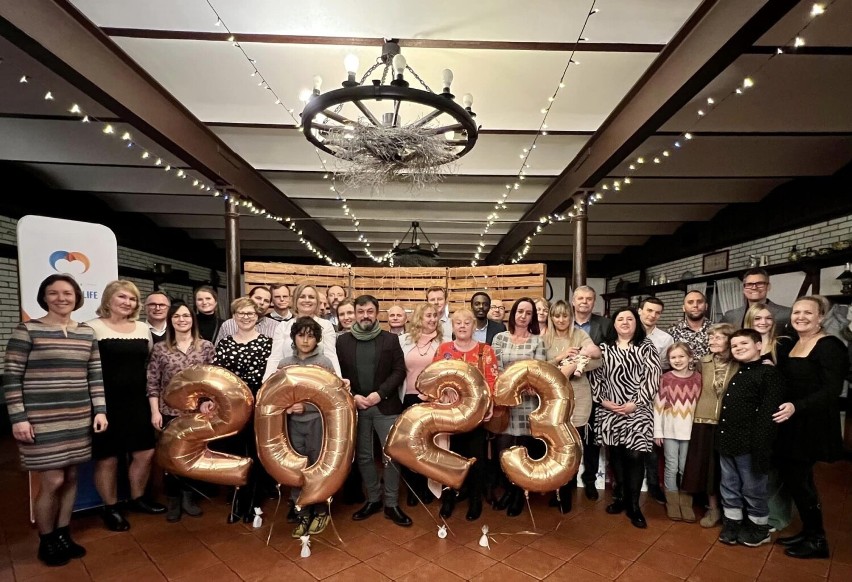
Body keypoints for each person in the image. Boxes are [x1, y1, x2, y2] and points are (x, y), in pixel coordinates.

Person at [3, 274, 108, 567]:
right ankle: (46, 539)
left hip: (77, 416)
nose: (61, 298)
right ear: (44, 297)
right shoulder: (28, 330)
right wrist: (18, 418)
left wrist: (99, 410)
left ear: (77, 297)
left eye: (67, 293)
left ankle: (63, 534)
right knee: (53, 479)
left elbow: (94, 375)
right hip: (40, 418)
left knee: (72, 476)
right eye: (54, 293)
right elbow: (11, 377)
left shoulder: (86, 333)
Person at [774, 296, 849, 559]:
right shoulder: (794, 343)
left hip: (811, 424)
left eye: (808, 312)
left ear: (821, 317)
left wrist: (798, 406)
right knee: (796, 481)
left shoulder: (830, 346)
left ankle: (818, 540)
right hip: (790, 423)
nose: (800, 317)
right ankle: (808, 531)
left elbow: (831, 390)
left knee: (801, 482)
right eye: (796, 312)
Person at [87, 280, 164, 531]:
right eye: (122, 297)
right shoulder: (92, 328)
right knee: (107, 458)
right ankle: (110, 507)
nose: (127, 303)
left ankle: (137, 498)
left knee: (145, 452)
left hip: (138, 400)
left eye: (131, 299)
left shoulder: (142, 328)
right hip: (104, 402)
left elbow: (150, 363)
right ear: (108, 299)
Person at [337, 296, 411, 526]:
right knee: (364, 456)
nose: (365, 315)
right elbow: (338, 375)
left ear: (377, 313)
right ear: (356, 314)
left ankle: (391, 503)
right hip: (357, 406)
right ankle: (374, 499)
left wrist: (380, 393)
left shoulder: (390, 340)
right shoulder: (343, 342)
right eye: (361, 311)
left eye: (370, 311)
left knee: (391, 456)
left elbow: (399, 371)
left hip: (385, 405)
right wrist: (353, 396)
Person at [588, 307, 661, 529]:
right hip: (610, 410)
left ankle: (634, 505)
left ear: (636, 323)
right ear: (614, 324)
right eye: (620, 319)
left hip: (637, 410)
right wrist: (602, 400)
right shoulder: (604, 348)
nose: (625, 322)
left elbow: (652, 377)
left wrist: (635, 403)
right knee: (617, 455)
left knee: (635, 456)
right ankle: (619, 498)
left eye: (630, 319)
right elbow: (596, 376)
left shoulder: (647, 347)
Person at [716, 329, 786, 547]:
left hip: (751, 445)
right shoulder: (740, 371)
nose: (738, 348)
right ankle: (733, 522)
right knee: (729, 485)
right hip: (728, 441)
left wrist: (761, 446)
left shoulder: (769, 374)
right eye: (734, 345)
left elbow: (768, 414)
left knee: (753, 488)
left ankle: (758, 527)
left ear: (758, 345)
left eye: (744, 343)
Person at [147, 303, 216, 522]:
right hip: (169, 412)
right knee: (170, 457)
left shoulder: (205, 347)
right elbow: (152, 382)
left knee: (194, 454)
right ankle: (174, 500)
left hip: (198, 412)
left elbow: (214, 380)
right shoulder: (160, 348)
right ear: (171, 320)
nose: (182, 319)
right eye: (177, 316)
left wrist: (209, 402)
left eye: (186, 315)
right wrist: (155, 412)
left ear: (193, 320)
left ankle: (189, 497)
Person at [433, 308, 498, 521]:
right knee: (450, 457)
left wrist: (489, 405)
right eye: (458, 322)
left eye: (467, 322)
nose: (462, 326)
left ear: (474, 326)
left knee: (476, 459)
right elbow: (433, 378)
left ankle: (475, 500)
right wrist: (443, 395)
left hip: (475, 415)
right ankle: (449, 498)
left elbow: (492, 382)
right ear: (452, 326)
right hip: (449, 414)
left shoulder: (485, 351)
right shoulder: (443, 350)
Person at [276, 317, 338, 538]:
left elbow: (331, 399)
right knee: (296, 468)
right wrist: (288, 407)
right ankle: (301, 512)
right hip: (292, 426)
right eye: (301, 335)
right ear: (293, 337)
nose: (305, 340)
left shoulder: (324, 363)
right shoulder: (284, 364)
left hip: (317, 424)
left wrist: (307, 407)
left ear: (317, 339)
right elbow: (277, 396)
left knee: (317, 467)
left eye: (310, 336)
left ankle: (321, 511)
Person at [213, 297, 273, 524]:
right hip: (232, 404)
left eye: (250, 313)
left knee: (256, 451)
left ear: (257, 316)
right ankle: (238, 498)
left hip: (258, 401)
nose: (245, 317)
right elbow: (217, 375)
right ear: (234, 316)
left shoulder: (267, 342)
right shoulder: (225, 343)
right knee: (235, 451)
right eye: (241, 313)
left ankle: (253, 501)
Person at [543, 299, 601, 513]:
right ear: (552, 317)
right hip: (552, 398)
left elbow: (597, 360)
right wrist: (560, 359)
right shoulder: (545, 337)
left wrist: (577, 364)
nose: (561, 320)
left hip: (578, 397)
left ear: (571, 316)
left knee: (573, 446)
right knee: (555, 446)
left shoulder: (579, 335)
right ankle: (555, 489)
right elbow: (540, 367)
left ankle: (567, 493)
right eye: (557, 316)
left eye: (565, 315)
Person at [491, 297, 546, 517]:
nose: (523, 316)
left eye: (528, 313)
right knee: (503, 450)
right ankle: (507, 488)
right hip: (505, 403)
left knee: (523, 451)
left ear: (532, 317)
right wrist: (511, 382)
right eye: (520, 311)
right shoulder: (500, 338)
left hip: (527, 404)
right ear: (513, 314)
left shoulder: (537, 342)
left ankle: (517, 494)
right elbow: (495, 369)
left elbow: (537, 373)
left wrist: (529, 383)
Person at [681, 323, 739, 528]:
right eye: (711, 337)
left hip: (730, 422)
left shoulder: (740, 363)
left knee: (730, 469)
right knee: (708, 468)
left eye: (719, 337)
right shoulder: (702, 362)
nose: (712, 341)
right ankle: (713, 509)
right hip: (703, 420)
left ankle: (733, 511)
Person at [744, 304, 795, 532]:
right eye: (758, 318)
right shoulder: (742, 344)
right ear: (750, 321)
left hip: (773, 413)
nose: (763, 322)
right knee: (752, 466)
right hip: (749, 414)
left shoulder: (782, 344)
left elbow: (792, 379)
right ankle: (754, 512)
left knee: (772, 467)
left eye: (767, 318)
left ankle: (777, 517)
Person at [398, 303, 443, 507]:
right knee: (409, 444)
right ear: (418, 318)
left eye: (434, 316)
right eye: (428, 316)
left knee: (428, 445)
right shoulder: (404, 341)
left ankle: (427, 486)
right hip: (408, 398)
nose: (432, 319)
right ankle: (412, 487)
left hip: (433, 399)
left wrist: (433, 394)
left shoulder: (444, 342)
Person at [571, 285, 613, 501]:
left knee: (591, 437)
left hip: (595, 388)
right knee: (567, 436)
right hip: (567, 387)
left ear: (593, 302)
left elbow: (606, 355)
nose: (584, 302)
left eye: (588, 299)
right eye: (580, 298)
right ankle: (566, 479)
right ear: (573, 301)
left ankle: (589, 480)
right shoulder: (562, 322)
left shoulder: (604, 325)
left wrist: (581, 365)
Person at [654, 343, 702, 522]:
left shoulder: (698, 378)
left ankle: (686, 501)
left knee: (685, 467)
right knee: (671, 466)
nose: (677, 360)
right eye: (673, 357)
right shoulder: (665, 379)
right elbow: (658, 407)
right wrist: (658, 431)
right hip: (669, 431)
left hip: (691, 432)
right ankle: (672, 502)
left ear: (690, 358)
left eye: (681, 356)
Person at [638, 296, 674, 505]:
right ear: (640, 310)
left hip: (652, 392)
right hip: (626, 391)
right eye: (649, 310)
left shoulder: (665, 338)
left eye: (657, 312)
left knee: (651, 440)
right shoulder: (628, 330)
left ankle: (653, 484)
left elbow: (666, 368)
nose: (652, 315)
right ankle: (622, 484)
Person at [265, 283, 340, 379]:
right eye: (302, 296)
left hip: (317, 381)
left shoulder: (326, 325)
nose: (307, 300)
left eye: (311, 297)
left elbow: (331, 355)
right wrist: (267, 382)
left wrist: (338, 381)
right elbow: (275, 357)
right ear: (296, 300)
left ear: (317, 301)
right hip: (289, 381)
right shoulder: (283, 326)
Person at [722, 268, 792, 331]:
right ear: (743, 288)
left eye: (760, 283)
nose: (754, 288)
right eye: (749, 284)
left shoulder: (786, 314)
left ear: (768, 287)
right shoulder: (730, 316)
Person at [667, 290, 713, 359]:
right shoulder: (672, 331)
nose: (695, 305)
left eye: (699, 302)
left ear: (706, 306)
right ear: (683, 308)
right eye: (690, 302)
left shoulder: (716, 330)